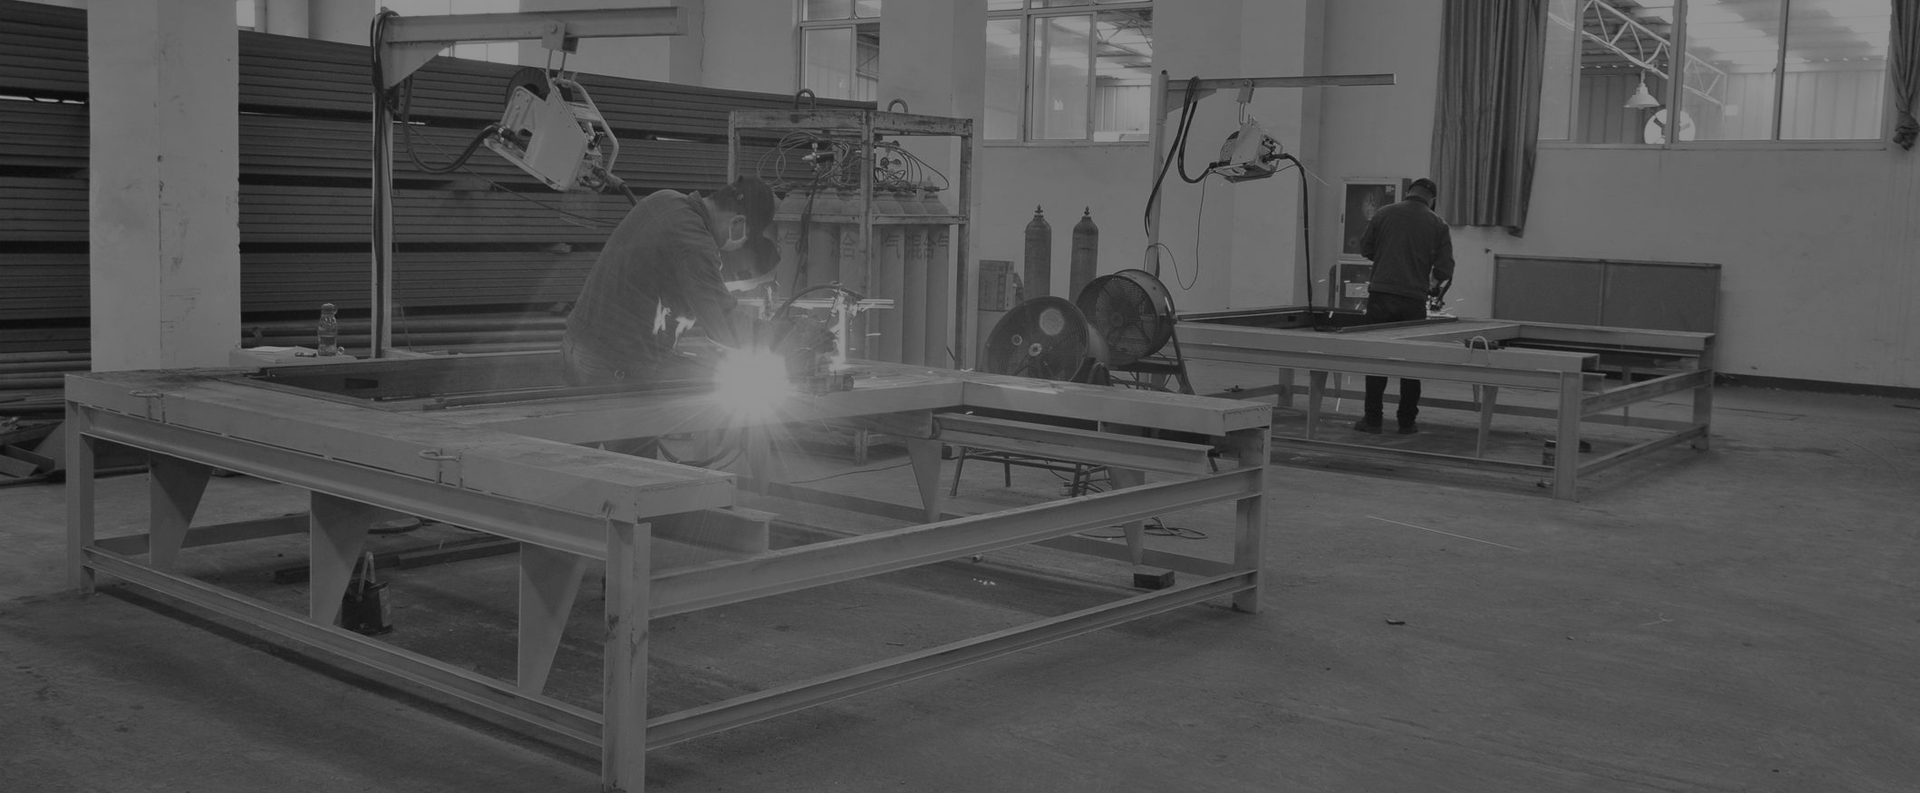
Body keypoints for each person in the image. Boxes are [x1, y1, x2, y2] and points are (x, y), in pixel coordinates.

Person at [562, 176, 777, 388]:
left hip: (577, 341)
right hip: (612, 364)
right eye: (746, 239)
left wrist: (731, 285)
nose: (741, 245)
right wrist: (781, 337)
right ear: (738, 223)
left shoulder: (665, 199)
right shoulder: (696, 245)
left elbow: (666, 272)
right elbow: (723, 327)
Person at [1354, 176, 1454, 435]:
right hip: (1413, 301)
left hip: (1381, 296)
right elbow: (1444, 269)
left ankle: (1372, 420)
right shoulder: (1438, 224)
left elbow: (1366, 249)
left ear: (1409, 192)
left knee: (1377, 359)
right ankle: (1407, 422)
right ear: (1432, 200)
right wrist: (1431, 282)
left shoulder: (1383, 213)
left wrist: (1386, 258)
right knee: (1411, 363)